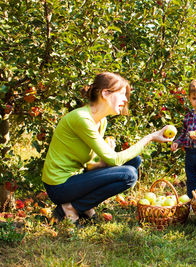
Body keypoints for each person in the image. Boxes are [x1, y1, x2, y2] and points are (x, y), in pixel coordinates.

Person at [42, 72, 173, 224]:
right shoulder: (82, 119)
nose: (125, 99)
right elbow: (115, 160)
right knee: (129, 175)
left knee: (134, 161)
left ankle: (83, 206)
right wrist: (149, 137)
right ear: (105, 93)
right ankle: (73, 207)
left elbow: (91, 164)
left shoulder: (101, 121)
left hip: (76, 179)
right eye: (122, 94)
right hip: (59, 186)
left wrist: (105, 156)